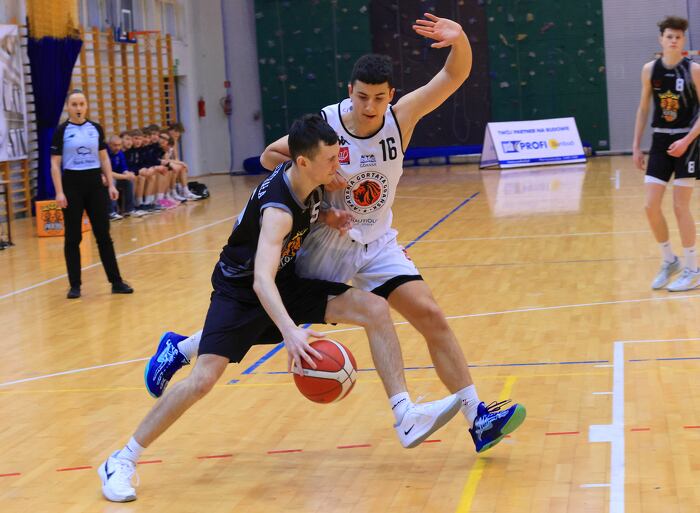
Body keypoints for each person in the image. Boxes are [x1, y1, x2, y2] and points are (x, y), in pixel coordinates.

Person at [149, 13, 525, 454]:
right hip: (325, 241)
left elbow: (453, 76)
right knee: (271, 320)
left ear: (391, 96)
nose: (369, 106)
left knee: (431, 315)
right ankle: (185, 347)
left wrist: (460, 39)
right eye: (362, 96)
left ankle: (477, 417)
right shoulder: (326, 127)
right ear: (350, 91)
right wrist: (324, 185)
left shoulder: (401, 118)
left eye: (379, 98)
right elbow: (270, 157)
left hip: (376, 241)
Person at [98, 114, 462, 503]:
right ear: (302, 161)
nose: (338, 167)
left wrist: (329, 215)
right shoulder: (278, 211)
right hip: (240, 292)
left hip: (285, 281)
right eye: (330, 161)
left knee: (373, 308)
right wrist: (290, 331)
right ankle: (122, 459)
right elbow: (261, 280)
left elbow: (303, 209)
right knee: (203, 380)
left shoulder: (309, 180)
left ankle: (405, 414)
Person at [633, 16, 700, 291]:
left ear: (683, 41)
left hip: (689, 141)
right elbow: (643, 109)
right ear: (661, 39)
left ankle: (693, 269)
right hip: (660, 141)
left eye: (678, 37)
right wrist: (636, 145)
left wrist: (687, 140)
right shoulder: (650, 70)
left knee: (680, 206)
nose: (673, 40)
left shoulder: (693, 70)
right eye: (669, 36)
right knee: (650, 206)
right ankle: (669, 260)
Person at [50, 90, 133, 299]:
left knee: (103, 235)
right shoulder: (62, 131)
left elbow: (104, 159)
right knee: (73, 237)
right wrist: (59, 192)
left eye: (81, 104)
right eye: (74, 104)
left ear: (86, 106)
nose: (78, 108)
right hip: (72, 185)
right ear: (68, 107)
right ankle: (75, 285)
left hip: (95, 185)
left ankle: (116, 282)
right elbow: (55, 164)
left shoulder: (95, 128)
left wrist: (111, 185)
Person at [106, 135, 136, 219]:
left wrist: (128, 174)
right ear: (109, 144)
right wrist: (125, 176)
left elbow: (123, 168)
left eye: (119, 145)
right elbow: (108, 172)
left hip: (117, 176)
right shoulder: (105, 153)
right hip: (106, 177)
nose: (117, 147)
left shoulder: (120, 153)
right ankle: (111, 212)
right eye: (115, 145)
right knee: (112, 181)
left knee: (129, 181)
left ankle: (129, 210)